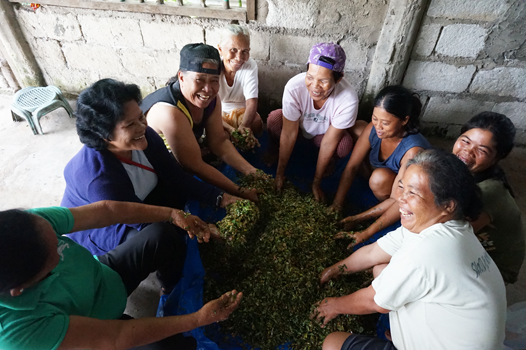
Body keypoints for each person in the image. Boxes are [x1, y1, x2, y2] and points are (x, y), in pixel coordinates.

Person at [316, 149, 506, 350]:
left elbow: (375, 301)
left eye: (413, 192)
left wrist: (333, 305)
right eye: (401, 187)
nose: (400, 198)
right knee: (381, 270)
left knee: (332, 343)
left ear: (448, 205)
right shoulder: (445, 227)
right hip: (458, 330)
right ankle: (406, 333)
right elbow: (372, 253)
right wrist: (333, 270)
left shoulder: (427, 251)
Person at [0, 200, 242, 350]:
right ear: (20, 289)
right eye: (55, 256)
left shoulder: (26, 228)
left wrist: (170, 213)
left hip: (103, 274)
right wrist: (198, 319)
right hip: (97, 328)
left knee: (163, 236)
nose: (61, 249)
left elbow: (106, 211)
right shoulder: (17, 332)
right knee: (176, 345)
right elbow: (116, 337)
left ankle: (169, 290)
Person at [61, 79, 240, 256]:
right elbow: (137, 219)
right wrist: (199, 229)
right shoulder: (98, 179)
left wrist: (221, 197)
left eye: (140, 117)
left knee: (182, 192)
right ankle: (169, 281)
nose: (142, 127)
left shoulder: (145, 136)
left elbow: (177, 177)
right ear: (105, 136)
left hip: (141, 197)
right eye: (130, 124)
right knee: (161, 238)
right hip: (108, 226)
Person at [141, 43, 261, 202]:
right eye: (200, 80)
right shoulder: (169, 112)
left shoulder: (212, 99)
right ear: (182, 77)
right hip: (150, 170)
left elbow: (218, 141)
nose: (208, 89)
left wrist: (252, 172)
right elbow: (193, 164)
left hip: (187, 151)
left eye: (214, 81)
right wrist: (240, 191)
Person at [332, 85, 431, 248]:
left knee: (379, 179)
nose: (378, 126)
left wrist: (359, 223)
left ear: (405, 120)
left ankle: (381, 209)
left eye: (385, 123)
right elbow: (351, 166)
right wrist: (337, 203)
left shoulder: (413, 151)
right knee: (359, 127)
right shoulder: (373, 129)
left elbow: (397, 199)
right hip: (379, 172)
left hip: (403, 191)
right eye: (375, 118)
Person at [267, 42, 367, 201]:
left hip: (323, 136)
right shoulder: (294, 87)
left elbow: (329, 142)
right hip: (298, 131)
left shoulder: (348, 99)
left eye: (323, 81)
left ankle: (327, 163)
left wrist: (316, 183)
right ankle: (276, 151)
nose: (315, 86)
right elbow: (288, 132)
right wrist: (280, 174)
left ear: (339, 78)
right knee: (274, 119)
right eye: (310, 77)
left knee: (344, 144)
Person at [453, 112, 525, 284]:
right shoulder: (455, 169)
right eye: (465, 140)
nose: (468, 151)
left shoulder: (489, 192)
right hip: (470, 246)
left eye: (482, 150)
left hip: (491, 266)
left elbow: (448, 237)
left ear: (497, 158)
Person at [217, 24, 263, 149]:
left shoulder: (250, 65)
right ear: (220, 49)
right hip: (218, 112)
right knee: (221, 136)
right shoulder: (214, 67)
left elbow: (252, 101)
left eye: (245, 52)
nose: (239, 58)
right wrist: (230, 129)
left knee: (257, 122)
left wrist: (245, 126)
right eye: (233, 50)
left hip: (242, 111)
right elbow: (209, 109)